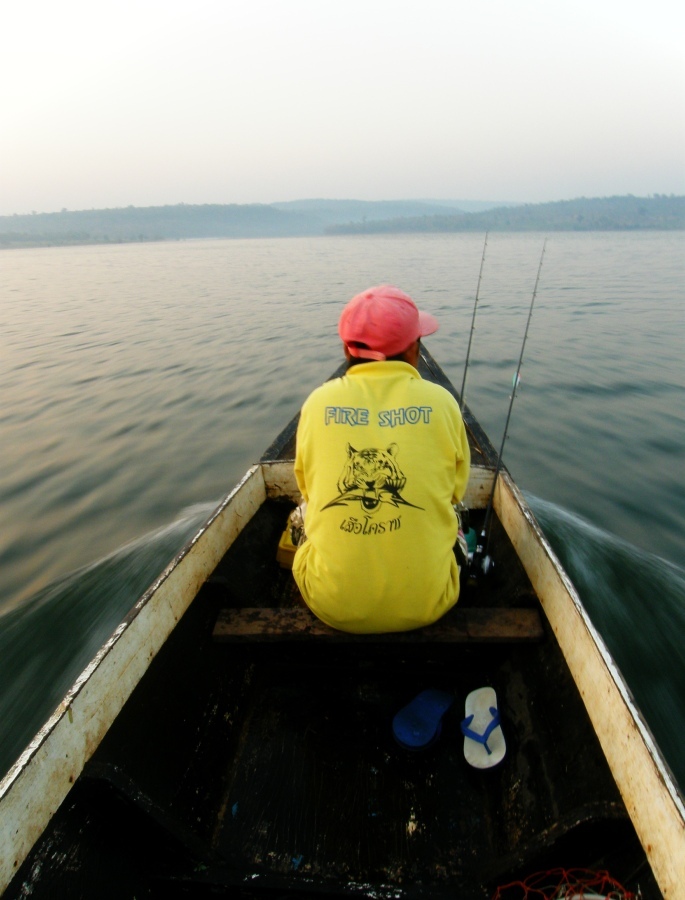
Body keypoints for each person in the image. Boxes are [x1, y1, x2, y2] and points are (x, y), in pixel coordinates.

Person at [291, 284, 471, 634]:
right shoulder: (443, 403)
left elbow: (308, 490)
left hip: (330, 604)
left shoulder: (316, 404)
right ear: (415, 350)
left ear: (347, 349)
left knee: (304, 518)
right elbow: (454, 494)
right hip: (431, 602)